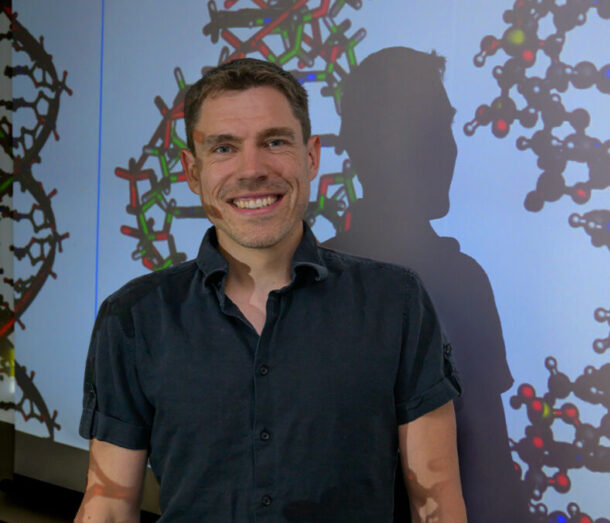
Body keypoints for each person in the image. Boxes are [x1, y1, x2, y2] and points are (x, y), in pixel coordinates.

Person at [75, 58, 466, 522]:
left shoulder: (396, 302)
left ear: (312, 156)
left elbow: (437, 504)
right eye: (223, 148)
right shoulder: (134, 317)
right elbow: (109, 506)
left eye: (275, 141)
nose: (253, 169)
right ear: (191, 170)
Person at [324, 47, 523, 521]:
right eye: (427, 127)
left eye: (445, 125)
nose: (448, 147)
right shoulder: (312, 283)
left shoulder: (462, 279)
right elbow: (491, 466)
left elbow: (490, 461)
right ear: (369, 145)